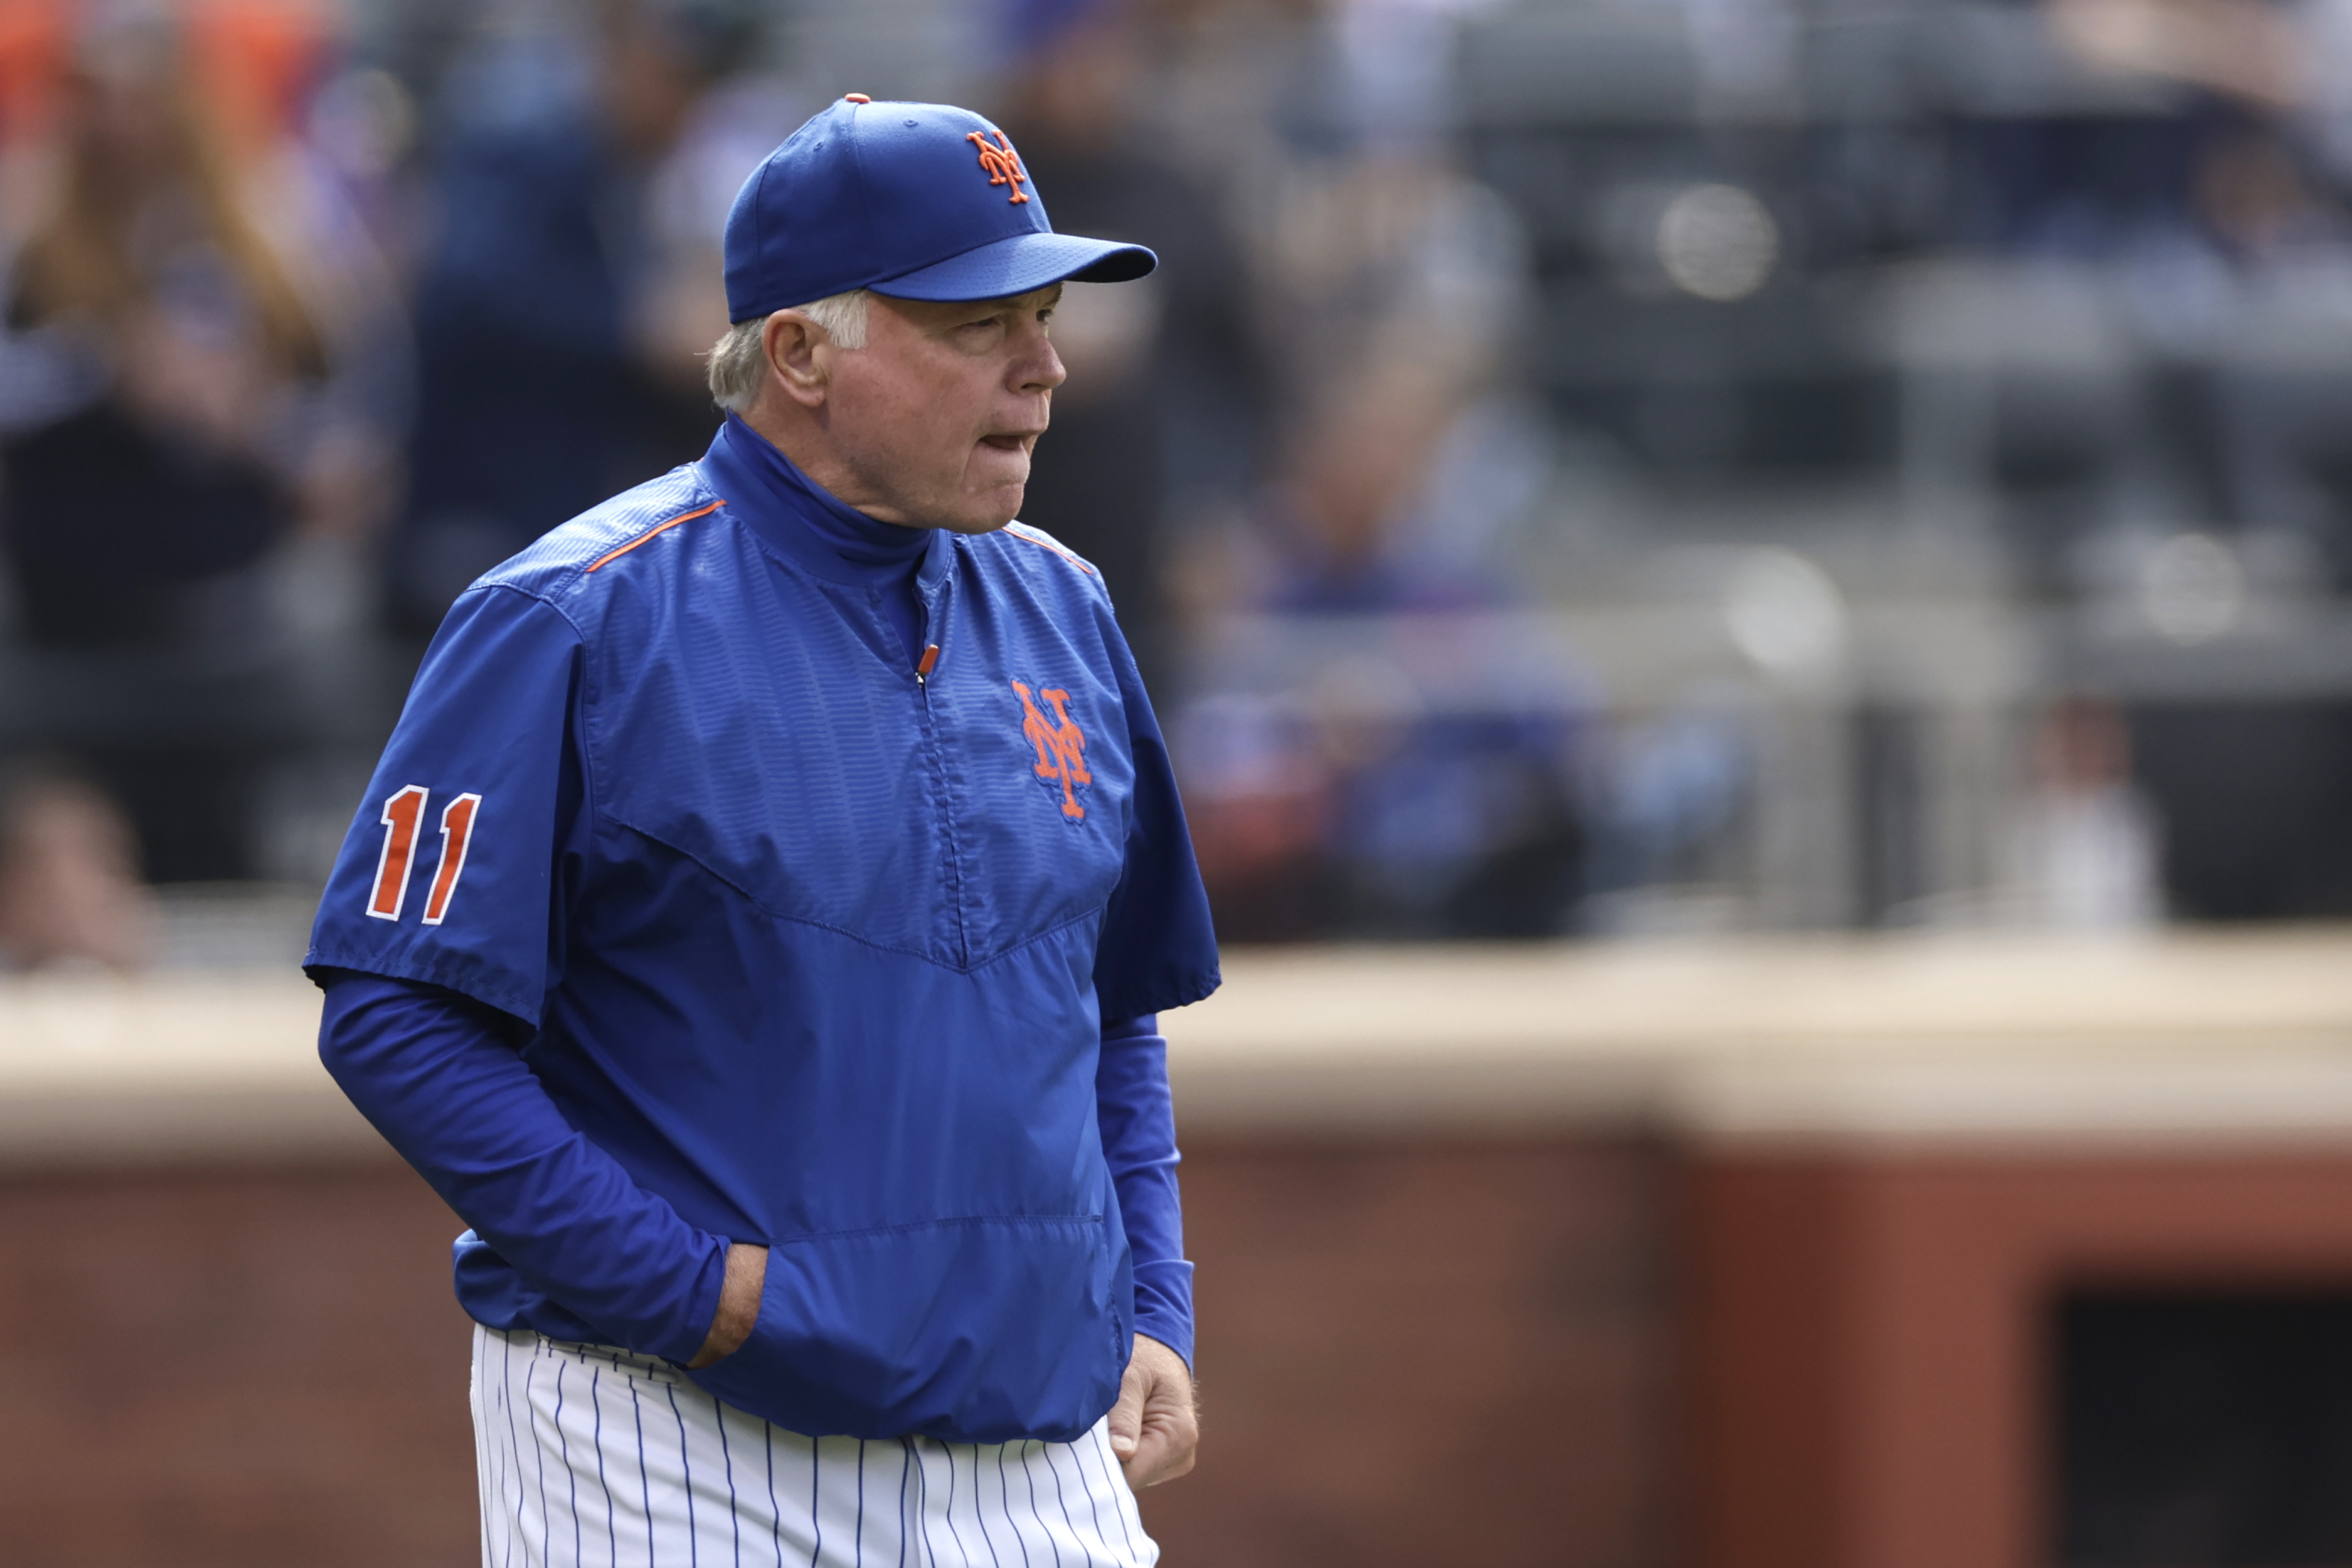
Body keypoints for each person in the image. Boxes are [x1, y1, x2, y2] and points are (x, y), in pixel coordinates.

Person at [304, 97, 1217, 1565]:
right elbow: (397, 1017)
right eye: (984, 322)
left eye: (1044, 316)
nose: (1047, 368)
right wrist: (681, 1288)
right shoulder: (572, 613)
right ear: (800, 352)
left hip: (1033, 1453)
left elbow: (1107, 1004)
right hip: (674, 1436)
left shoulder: (1065, 603)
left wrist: (1154, 1297)